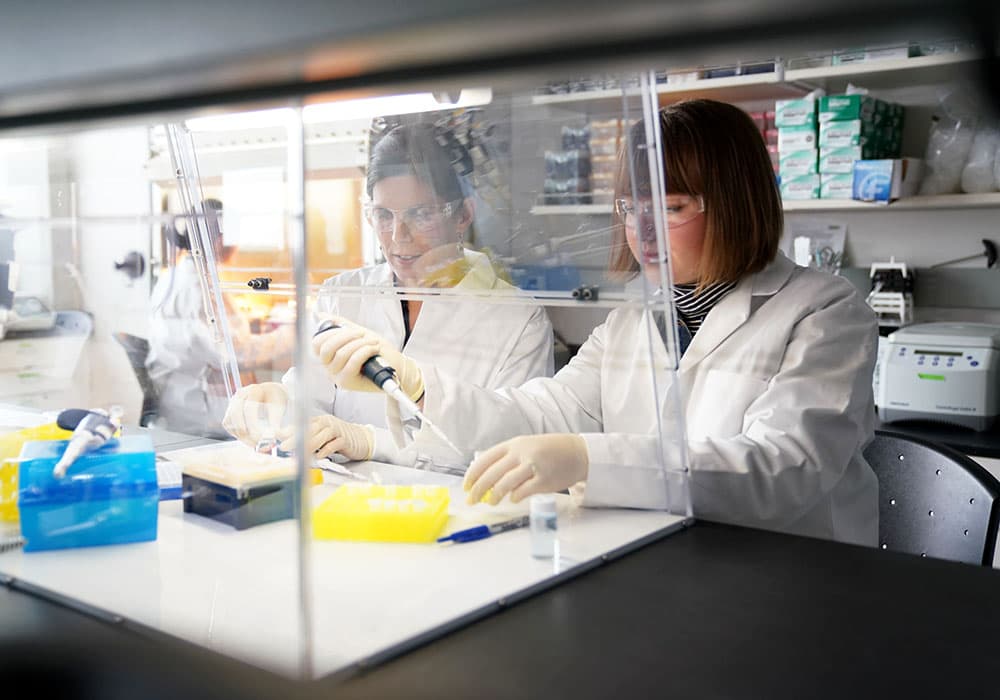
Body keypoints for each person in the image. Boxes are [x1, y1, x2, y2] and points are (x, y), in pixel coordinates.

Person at [311, 99, 879, 546]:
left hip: (791, 573)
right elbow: (542, 412)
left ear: (734, 202)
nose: (642, 232)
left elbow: (782, 471)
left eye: (671, 208)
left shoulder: (824, 313)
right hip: (661, 558)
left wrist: (587, 459)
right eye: (632, 210)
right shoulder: (634, 320)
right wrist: (420, 386)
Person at [222, 122, 554, 465]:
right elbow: (309, 404)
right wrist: (275, 401)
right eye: (383, 215)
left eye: (421, 214)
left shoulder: (517, 318)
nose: (398, 237)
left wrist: (371, 442)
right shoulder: (343, 294)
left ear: (463, 215)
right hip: (342, 504)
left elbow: (511, 449)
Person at [146, 199, 294, 437]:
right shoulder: (198, 289)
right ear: (218, 241)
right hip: (203, 415)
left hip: (179, 403)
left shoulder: (171, 278)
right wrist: (291, 332)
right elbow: (238, 354)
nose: (236, 247)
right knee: (291, 421)